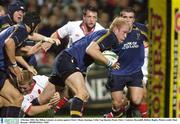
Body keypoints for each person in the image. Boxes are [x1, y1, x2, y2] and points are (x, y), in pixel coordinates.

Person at [39, 17, 130, 117]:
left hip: (65, 59)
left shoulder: (105, 35)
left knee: (43, 99)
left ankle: (28, 114)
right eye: (124, 32)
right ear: (116, 29)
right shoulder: (110, 36)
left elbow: (91, 54)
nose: (125, 36)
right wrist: (109, 63)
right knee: (82, 93)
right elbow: (91, 50)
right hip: (69, 60)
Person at [36, 5, 105, 109]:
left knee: (46, 98)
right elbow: (57, 34)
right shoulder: (72, 25)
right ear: (84, 17)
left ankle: (32, 109)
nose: (92, 20)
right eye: (89, 17)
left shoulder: (101, 30)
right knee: (82, 94)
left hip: (82, 66)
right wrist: (49, 42)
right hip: (68, 61)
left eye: (94, 17)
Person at [104, 7, 148, 118]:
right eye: (125, 17)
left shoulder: (141, 29)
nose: (128, 20)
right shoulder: (112, 32)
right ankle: (114, 113)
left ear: (134, 19)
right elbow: (101, 49)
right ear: (119, 18)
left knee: (137, 100)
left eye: (130, 17)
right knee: (117, 104)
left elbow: (155, 39)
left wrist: (145, 46)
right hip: (117, 72)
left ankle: (126, 111)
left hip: (135, 71)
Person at [0, 11, 41, 117]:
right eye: (37, 26)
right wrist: (14, 66)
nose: (37, 28)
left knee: (7, 101)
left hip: (2, 69)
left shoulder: (17, 29)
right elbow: (9, 44)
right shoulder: (22, 31)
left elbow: (14, 52)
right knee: (17, 98)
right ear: (33, 25)